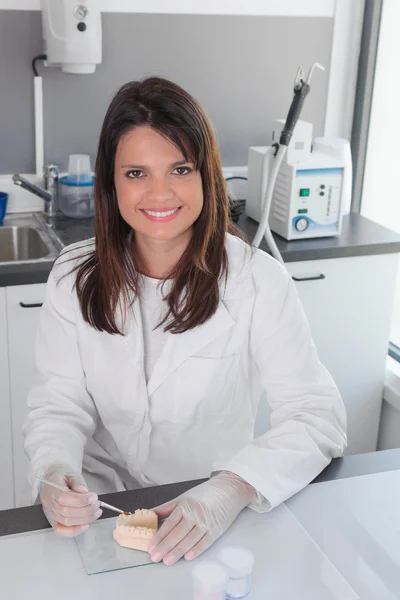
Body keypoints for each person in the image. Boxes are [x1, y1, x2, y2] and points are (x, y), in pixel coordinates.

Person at [23, 76, 347, 566]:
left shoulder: (258, 282)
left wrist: (229, 491)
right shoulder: (73, 275)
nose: (159, 193)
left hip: (209, 506)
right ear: (111, 181)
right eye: (136, 173)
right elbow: (57, 403)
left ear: (206, 175)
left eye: (179, 168)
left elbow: (316, 417)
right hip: (101, 506)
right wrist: (55, 468)